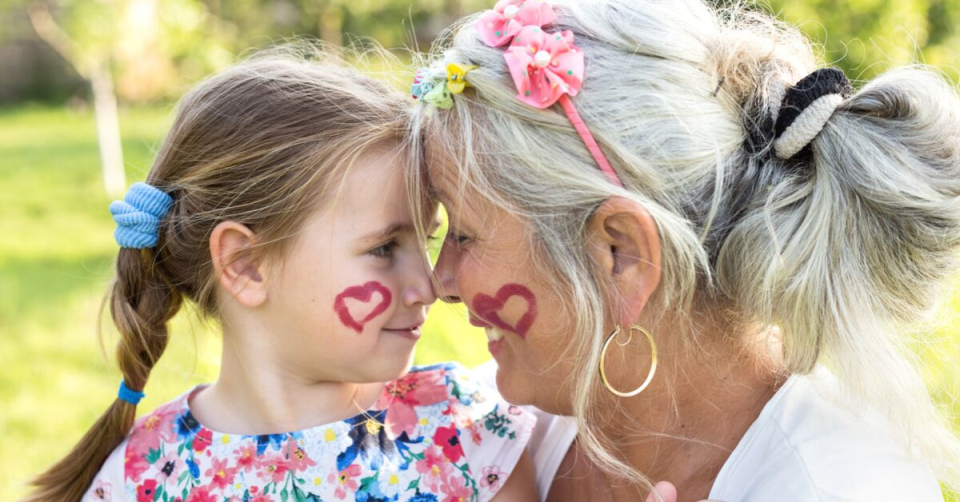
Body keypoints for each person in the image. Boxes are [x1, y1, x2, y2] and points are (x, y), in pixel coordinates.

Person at [406, 0, 960, 500]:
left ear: (621, 256)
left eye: (464, 234)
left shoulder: (838, 488)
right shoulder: (482, 432)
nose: (441, 280)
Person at [23, 51, 537, 502]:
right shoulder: (142, 477)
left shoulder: (464, 436)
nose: (428, 286)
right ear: (245, 264)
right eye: (384, 248)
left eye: (424, 241)